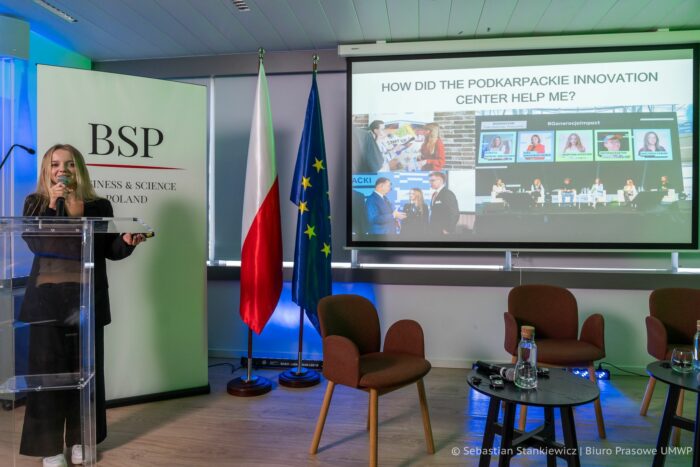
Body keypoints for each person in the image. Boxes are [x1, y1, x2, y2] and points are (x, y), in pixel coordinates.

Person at [20, 144, 146, 467]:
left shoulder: (99, 205)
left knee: (86, 375)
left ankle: (81, 439)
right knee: (47, 378)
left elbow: (108, 250)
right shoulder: (35, 203)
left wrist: (125, 242)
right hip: (47, 304)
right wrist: (53, 204)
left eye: (70, 164)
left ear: (80, 169)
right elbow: (37, 243)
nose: (62, 170)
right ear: (47, 170)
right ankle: (49, 447)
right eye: (55, 164)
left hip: (87, 301)